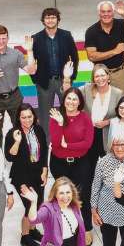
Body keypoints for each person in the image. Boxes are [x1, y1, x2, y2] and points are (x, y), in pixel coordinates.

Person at [49, 88, 96, 230]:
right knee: (62, 196)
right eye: (68, 98)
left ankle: (86, 228)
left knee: (83, 196)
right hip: (59, 163)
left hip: (80, 163)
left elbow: (87, 144)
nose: (71, 102)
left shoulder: (85, 118)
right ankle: (64, 227)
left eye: (75, 99)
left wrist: (67, 145)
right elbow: (56, 143)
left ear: (80, 102)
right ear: (64, 100)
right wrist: (60, 124)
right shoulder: (56, 116)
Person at [5, 104, 49, 246]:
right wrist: (17, 142)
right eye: (23, 117)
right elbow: (9, 157)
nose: (27, 120)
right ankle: (25, 237)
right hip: (22, 176)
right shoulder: (13, 133)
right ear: (18, 117)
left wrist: (45, 170)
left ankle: (32, 229)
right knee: (30, 205)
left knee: (38, 203)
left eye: (30, 116)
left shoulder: (39, 130)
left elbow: (43, 153)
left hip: (37, 173)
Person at [28, 8, 80, 122]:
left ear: (58, 19)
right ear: (43, 20)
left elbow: (75, 57)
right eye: (47, 17)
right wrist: (36, 80)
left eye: (53, 17)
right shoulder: (36, 38)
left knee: (68, 112)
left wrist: (71, 78)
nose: (50, 20)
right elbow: (31, 62)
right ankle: (47, 139)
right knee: (45, 116)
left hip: (63, 80)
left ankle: (67, 138)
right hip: (44, 83)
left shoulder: (66, 35)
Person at [84, 0, 124, 94]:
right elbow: (91, 56)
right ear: (99, 13)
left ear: (113, 13)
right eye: (103, 12)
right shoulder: (91, 31)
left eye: (109, 11)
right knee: (101, 104)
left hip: (119, 73)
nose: (106, 14)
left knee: (122, 104)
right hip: (100, 75)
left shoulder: (121, 24)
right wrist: (114, 51)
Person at [80, 64, 123, 160]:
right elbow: (71, 94)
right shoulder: (86, 89)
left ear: (108, 76)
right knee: (89, 169)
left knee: (109, 167)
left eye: (102, 75)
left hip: (108, 135)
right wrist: (66, 79)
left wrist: (107, 122)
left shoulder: (117, 93)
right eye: (97, 76)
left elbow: (123, 116)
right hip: (89, 135)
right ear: (93, 79)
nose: (100, 78)